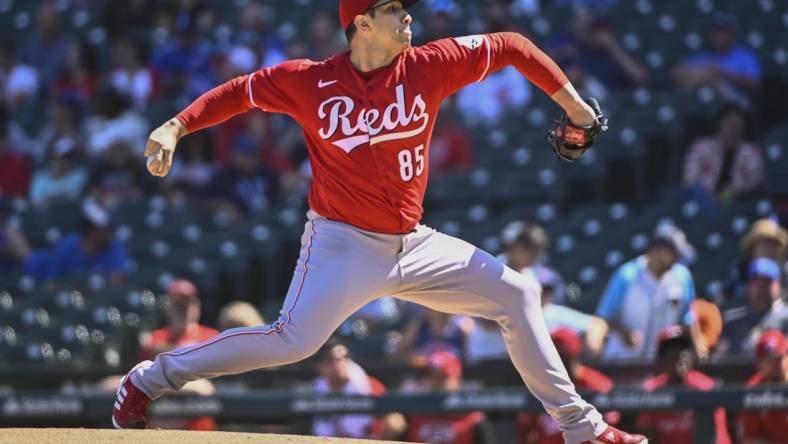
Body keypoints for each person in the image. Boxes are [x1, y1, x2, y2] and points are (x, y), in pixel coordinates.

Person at [112, 2, 645, 442]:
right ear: (361, 24)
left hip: (413, 243)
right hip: (340, 242)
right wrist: (176, 125)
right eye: (392, 9)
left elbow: (511, 45)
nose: (408, 16)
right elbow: (240, 92)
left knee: (518, 295)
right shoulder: (311, 81)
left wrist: (575, 107)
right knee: (291, 342)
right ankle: (149, 378)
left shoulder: (430, 64)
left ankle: (583, 429)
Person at [591, 223, 708, 360]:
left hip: (658, 364)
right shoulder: (628, 275)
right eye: (674, 252)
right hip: (621, 361)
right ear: (657, 250)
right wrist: (620, 332)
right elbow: (605, 316)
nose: (678, 258)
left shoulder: (682, 277)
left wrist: (698, 345)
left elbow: (688, 318)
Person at [518, 328, 616, 444]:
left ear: (574, 358)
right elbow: (525, 427)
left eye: (564, 359)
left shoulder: (596, 384)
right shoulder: (541, 385)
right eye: (556, 359)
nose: (560, 365)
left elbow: (612, 423)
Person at [635, 326, 731, 444]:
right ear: (661, 360)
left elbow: (719, 439)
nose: (678, 356)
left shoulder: (707, 388)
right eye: (670, 351)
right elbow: (645, 437)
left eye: (682, 350)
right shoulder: (651, 390)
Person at [404, 350, 494, 444]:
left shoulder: (473, 419)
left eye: (441, 378)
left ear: (457, 380)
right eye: (430, 377)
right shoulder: (413, 415)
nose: (434, 383)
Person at [682, 104, 763, 204]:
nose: (732, 131)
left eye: (736, 128)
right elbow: (690, 178)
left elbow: (756, 181)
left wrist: (733, 192)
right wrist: (709, 194)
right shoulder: (702, 146)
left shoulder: (750, 152)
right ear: (720, 124)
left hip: (737, 201)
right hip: (703, 199)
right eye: (730, 126)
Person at [311, 338, 386, 439]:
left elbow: (359, 430)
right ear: (320, 366)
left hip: (369, 436)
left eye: (345, 357)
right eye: (332, 359)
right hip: (340, 437)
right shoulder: (319, 385)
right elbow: (321, 431)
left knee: (394, 421)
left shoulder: (358, 380)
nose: (340, 363)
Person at [717, 258, 788, 356]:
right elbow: (719, 359)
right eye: (756, 282)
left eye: (767, 283)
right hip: (738, 371)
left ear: (778, 286)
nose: (761, 288)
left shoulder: (786, 318)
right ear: (748, 286)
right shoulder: (732, 321)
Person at [139, 279, 220, 361]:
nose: (182, 311)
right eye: (178, 305)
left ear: (197, 308)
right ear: (168, 308)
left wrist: (164, 349)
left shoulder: (212, 337)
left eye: (186, 306)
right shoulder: (154, 338)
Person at [736, 330, 788, 444]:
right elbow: (750, 440)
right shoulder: (753, 389)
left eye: (779, 358)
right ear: (759, 364)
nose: (776, 365)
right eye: (769, 360)